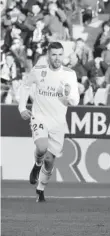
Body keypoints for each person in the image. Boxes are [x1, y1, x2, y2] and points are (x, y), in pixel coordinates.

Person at [19, 42, 80, 202]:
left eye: (60, 54)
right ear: (48, 55)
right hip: (39, 117)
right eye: (54, 54)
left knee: (50, 160)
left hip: (58, 123)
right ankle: (36, 165)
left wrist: (66, 96)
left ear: (63, 55)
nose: (57, 58)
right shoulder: (38, 71)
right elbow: (25, 86)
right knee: (42, 147)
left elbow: (75, 100)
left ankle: (40, 190)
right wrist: (21, 107)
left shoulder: (69, 74)